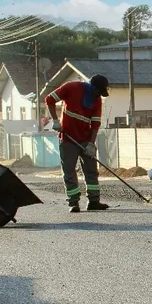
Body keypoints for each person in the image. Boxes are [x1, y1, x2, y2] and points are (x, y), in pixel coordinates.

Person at [44, 75, 110, 213]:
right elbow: (49, 100)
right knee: (69, 171)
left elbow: (95, 123)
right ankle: (73, 202)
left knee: (91, 171)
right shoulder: (71, 87)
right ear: (92, 87)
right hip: (68, 139)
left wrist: (91, 145)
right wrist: (55, 121)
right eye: (98, 91)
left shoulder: (97, 100)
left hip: (86, 139)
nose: (98, 95)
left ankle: (94, 201)